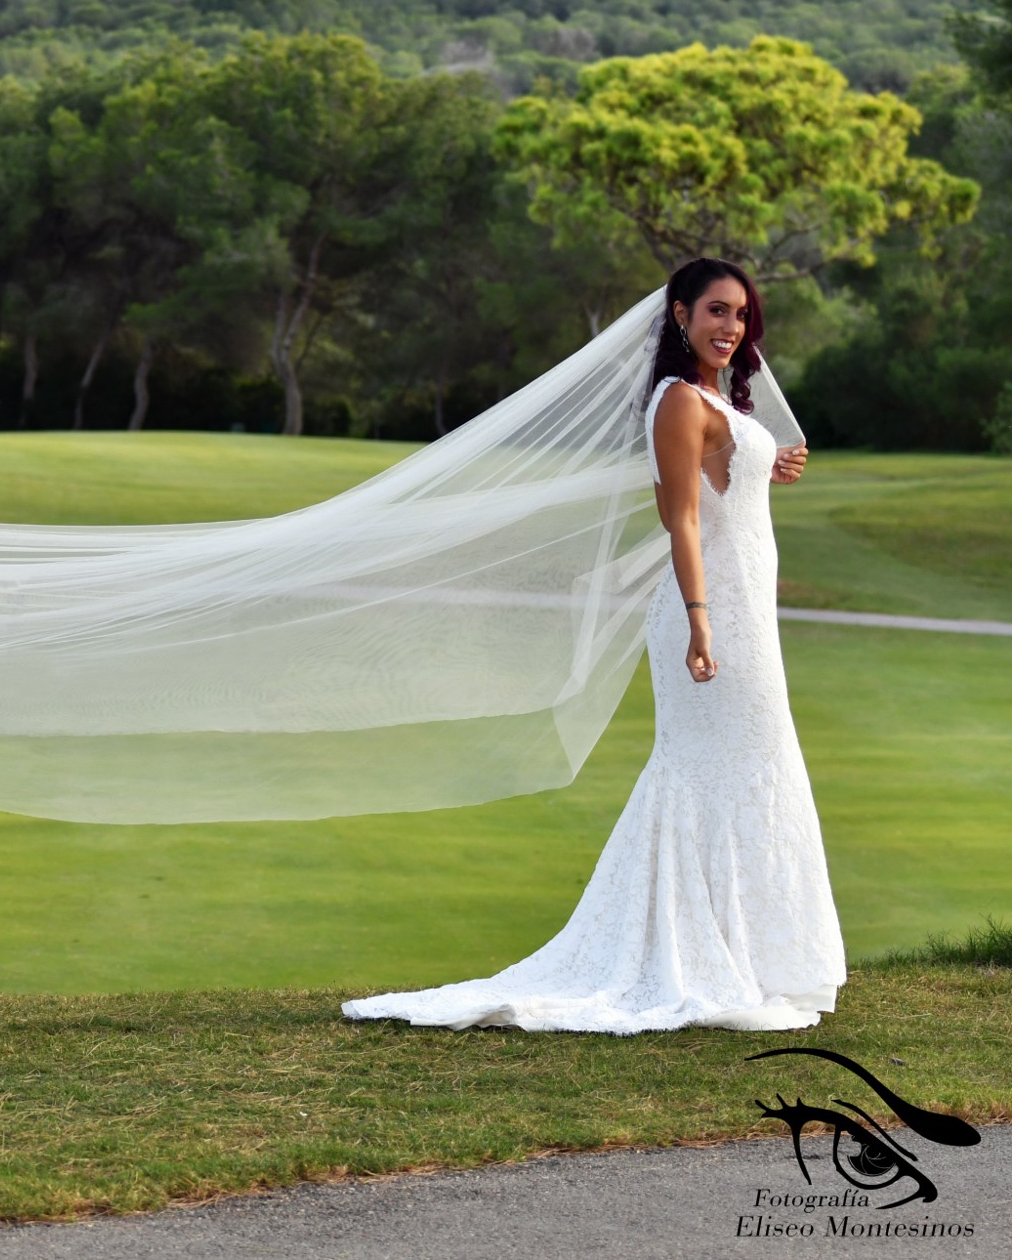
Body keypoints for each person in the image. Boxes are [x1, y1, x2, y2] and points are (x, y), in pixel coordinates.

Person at [340, 258, 848, 1033]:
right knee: (715, 767)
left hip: (746, 610)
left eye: (741, 314)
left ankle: (749, 954)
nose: (730, 326)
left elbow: (721, 484)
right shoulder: (677, 400)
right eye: (715, 310)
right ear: (680, 314)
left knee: (753, 766)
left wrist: (762, 463)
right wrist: (700, 617)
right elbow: (679, 518)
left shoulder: (714, 399)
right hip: (712, 612)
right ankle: (692, 952)